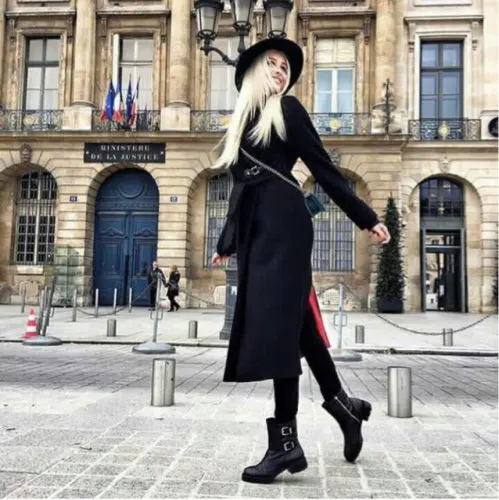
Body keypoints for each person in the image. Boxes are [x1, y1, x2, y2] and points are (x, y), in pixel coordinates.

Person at [210, 37, 391, 485]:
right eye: (272, 64)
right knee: (298, 327)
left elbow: (323, 167)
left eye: (285, 68)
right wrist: (227, 240)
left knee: (277, 328)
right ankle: (345, 408)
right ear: (253, 70)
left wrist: (366, 217)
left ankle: (284, 444)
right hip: (258, 230)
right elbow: (240, 187)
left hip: (285, 227)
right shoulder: (243, 121)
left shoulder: (287, 110)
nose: (280, 71)